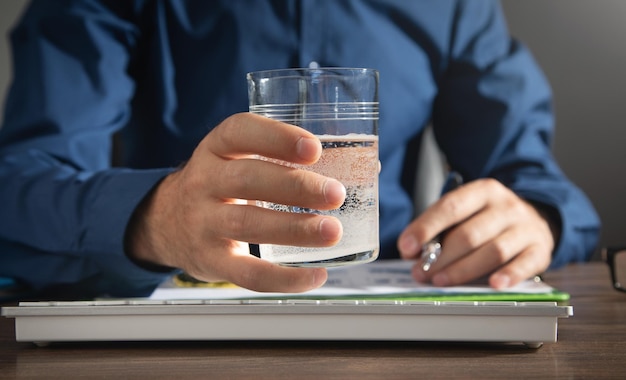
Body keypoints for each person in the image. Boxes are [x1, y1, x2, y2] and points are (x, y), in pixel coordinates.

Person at [0, 0, 600, 298]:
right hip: (179, 316)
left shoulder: (451, 6)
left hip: (389, 319)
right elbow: (19, 185)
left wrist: (535, 220)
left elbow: (538, 186)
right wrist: (155, 222)